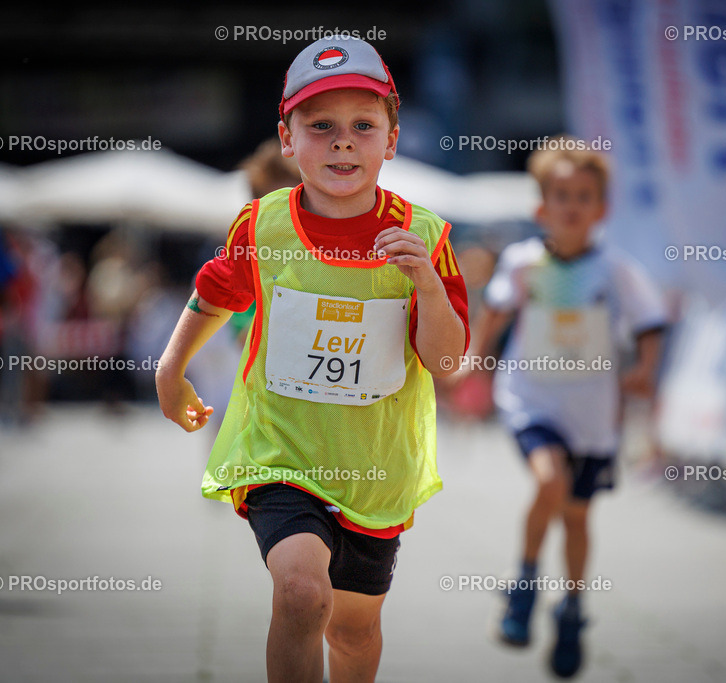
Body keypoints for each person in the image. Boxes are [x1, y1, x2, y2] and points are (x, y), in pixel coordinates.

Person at [155, 36, 469, 683]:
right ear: (288, 138)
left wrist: (429, 287)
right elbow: (216, 291)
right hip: (282, 454)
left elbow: (445, 360)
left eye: (362, 125)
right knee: (302, 593)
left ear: (392, 137)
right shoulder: (262, 225)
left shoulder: (426, 235)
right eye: (320, 125)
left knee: (354, 630)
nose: (343, 141)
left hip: (375, 469)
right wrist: (171, 365)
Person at [467, 141, 666, 678]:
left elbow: (651, 324)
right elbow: (495, 313)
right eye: (561, 196)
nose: (572, 206)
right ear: (541, 208)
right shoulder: (522, 261)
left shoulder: (616, 270)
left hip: (595, 417)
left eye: (583, 196)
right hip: (531, 399)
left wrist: (646, 369)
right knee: (548, 481)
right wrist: (473, 361)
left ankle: (573, 609)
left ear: (601, 209)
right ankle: (523, 585)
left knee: (577, 517)